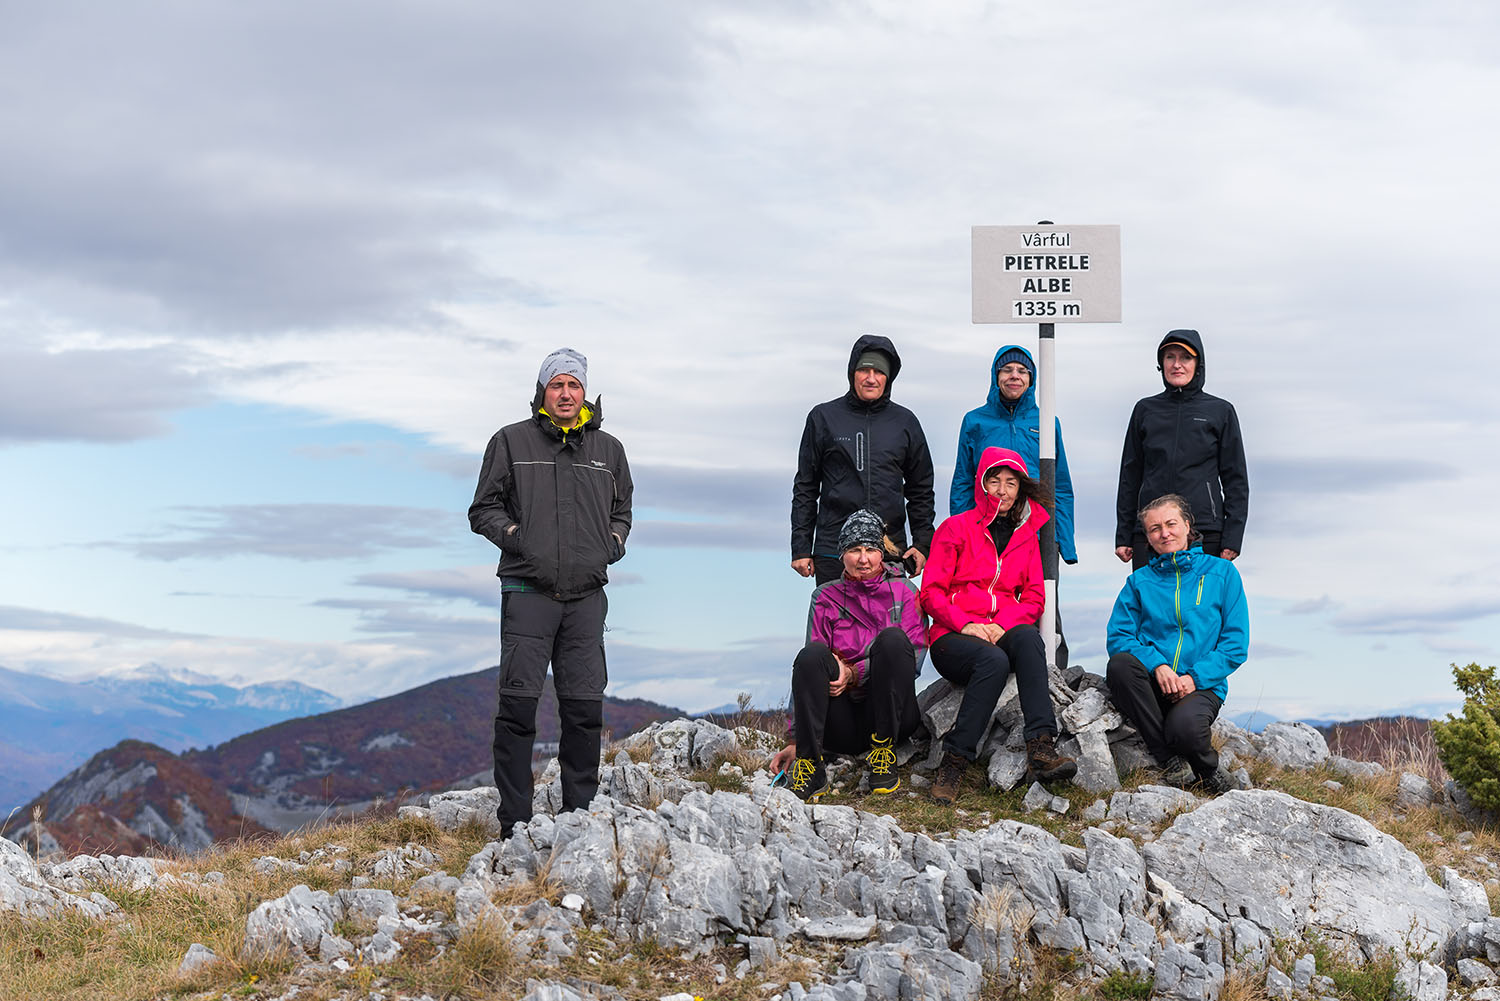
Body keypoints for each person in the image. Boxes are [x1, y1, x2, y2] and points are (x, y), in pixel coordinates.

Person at [468, 347, 633, 838]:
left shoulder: (609, 450)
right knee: (518, 709)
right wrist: (518, 538)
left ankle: (578, 819)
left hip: (586, 597)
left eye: (573, 384)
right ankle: (515, 824)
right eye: (556, 384)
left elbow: (622, 510)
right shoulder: (510, 441)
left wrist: (613, 543)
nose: (565, 393)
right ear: (542, 392)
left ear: (585, 392)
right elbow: (483, 508)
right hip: (527, 592)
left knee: (584, 711)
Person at [920, 447, 1076, 804]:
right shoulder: (955, 528)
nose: (1002, 490)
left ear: (1020, 490)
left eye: (1011, 483)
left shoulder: (1027, 536)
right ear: (981, 484)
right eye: (995, 481)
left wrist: (1002, 625)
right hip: (952, 638)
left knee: (1030, 640)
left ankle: (1041, 747)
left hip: (1000, 631)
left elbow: (1034, 597)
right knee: (993, 661)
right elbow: (931, 593)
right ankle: (954, 762)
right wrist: (966, 624)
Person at [770, 509, 927, 801]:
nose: (863, 559)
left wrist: (854, 673)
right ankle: (811, 766)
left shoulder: (905, 592)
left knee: (893, 641)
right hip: (841, 724)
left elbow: (914, 657)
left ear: (882, 554)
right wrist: (795, 739)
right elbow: (809, 671)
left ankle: (883, 754)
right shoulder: (824, 597)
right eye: (855, 550)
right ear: (842, 554)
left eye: (870, 550)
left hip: (893, 716)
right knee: (810, 655)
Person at [1105, 494, 1247, 793]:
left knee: (1184, 730)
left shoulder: (1222, 573)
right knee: (1120, 665)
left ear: (1187, 525)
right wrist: (1157, 665)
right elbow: (1119, 637)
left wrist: (1193, 678)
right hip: (1152, 684)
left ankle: (1208, 771)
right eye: (1154, 528)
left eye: (1171, 524)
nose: (1164, 533)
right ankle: (1169, 760)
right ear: (1147, 537)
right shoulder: (1139, 582)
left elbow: (1235, 644)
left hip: (1202, 685)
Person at [949, 344, 1077, 668]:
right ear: (996, 376)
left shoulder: (1047, 421)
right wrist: (961, 531)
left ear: (1031, 379)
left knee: (1044, 599)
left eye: (1022, 371)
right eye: (1007, 370)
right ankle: (987, 662)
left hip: (1037, 527)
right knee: (988, 594)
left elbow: (1060, 483)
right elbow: (963, 478)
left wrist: (1063, 540)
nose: (1014, 376)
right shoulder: (975, 421)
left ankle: (1053, 671)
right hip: (986, 527)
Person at [791, 335, 936, 586]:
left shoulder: (905, 422)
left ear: (888, 377)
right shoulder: (823, 417)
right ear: (852, 373)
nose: (871, 378)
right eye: (864, 370)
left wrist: (923, 544)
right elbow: (806, 485)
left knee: (893, 615)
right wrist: (801, 547)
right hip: (833, 551)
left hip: (889, 551)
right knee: (834, 614)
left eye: (879, 371)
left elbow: (921, 489)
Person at [1114, 329, 1248, 571]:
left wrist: (1232, 537)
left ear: (1198, 364)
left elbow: (1235, 480)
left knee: (1202, 597)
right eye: (1170, 357)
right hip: (1152, 532)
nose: (1177, 365)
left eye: (1185, 358)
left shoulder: (1221, 411)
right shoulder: (1145, 410)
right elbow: (1129, 476)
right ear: (1161, 364)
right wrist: (1124, 533)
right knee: (1149, 596)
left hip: (1205, 530)